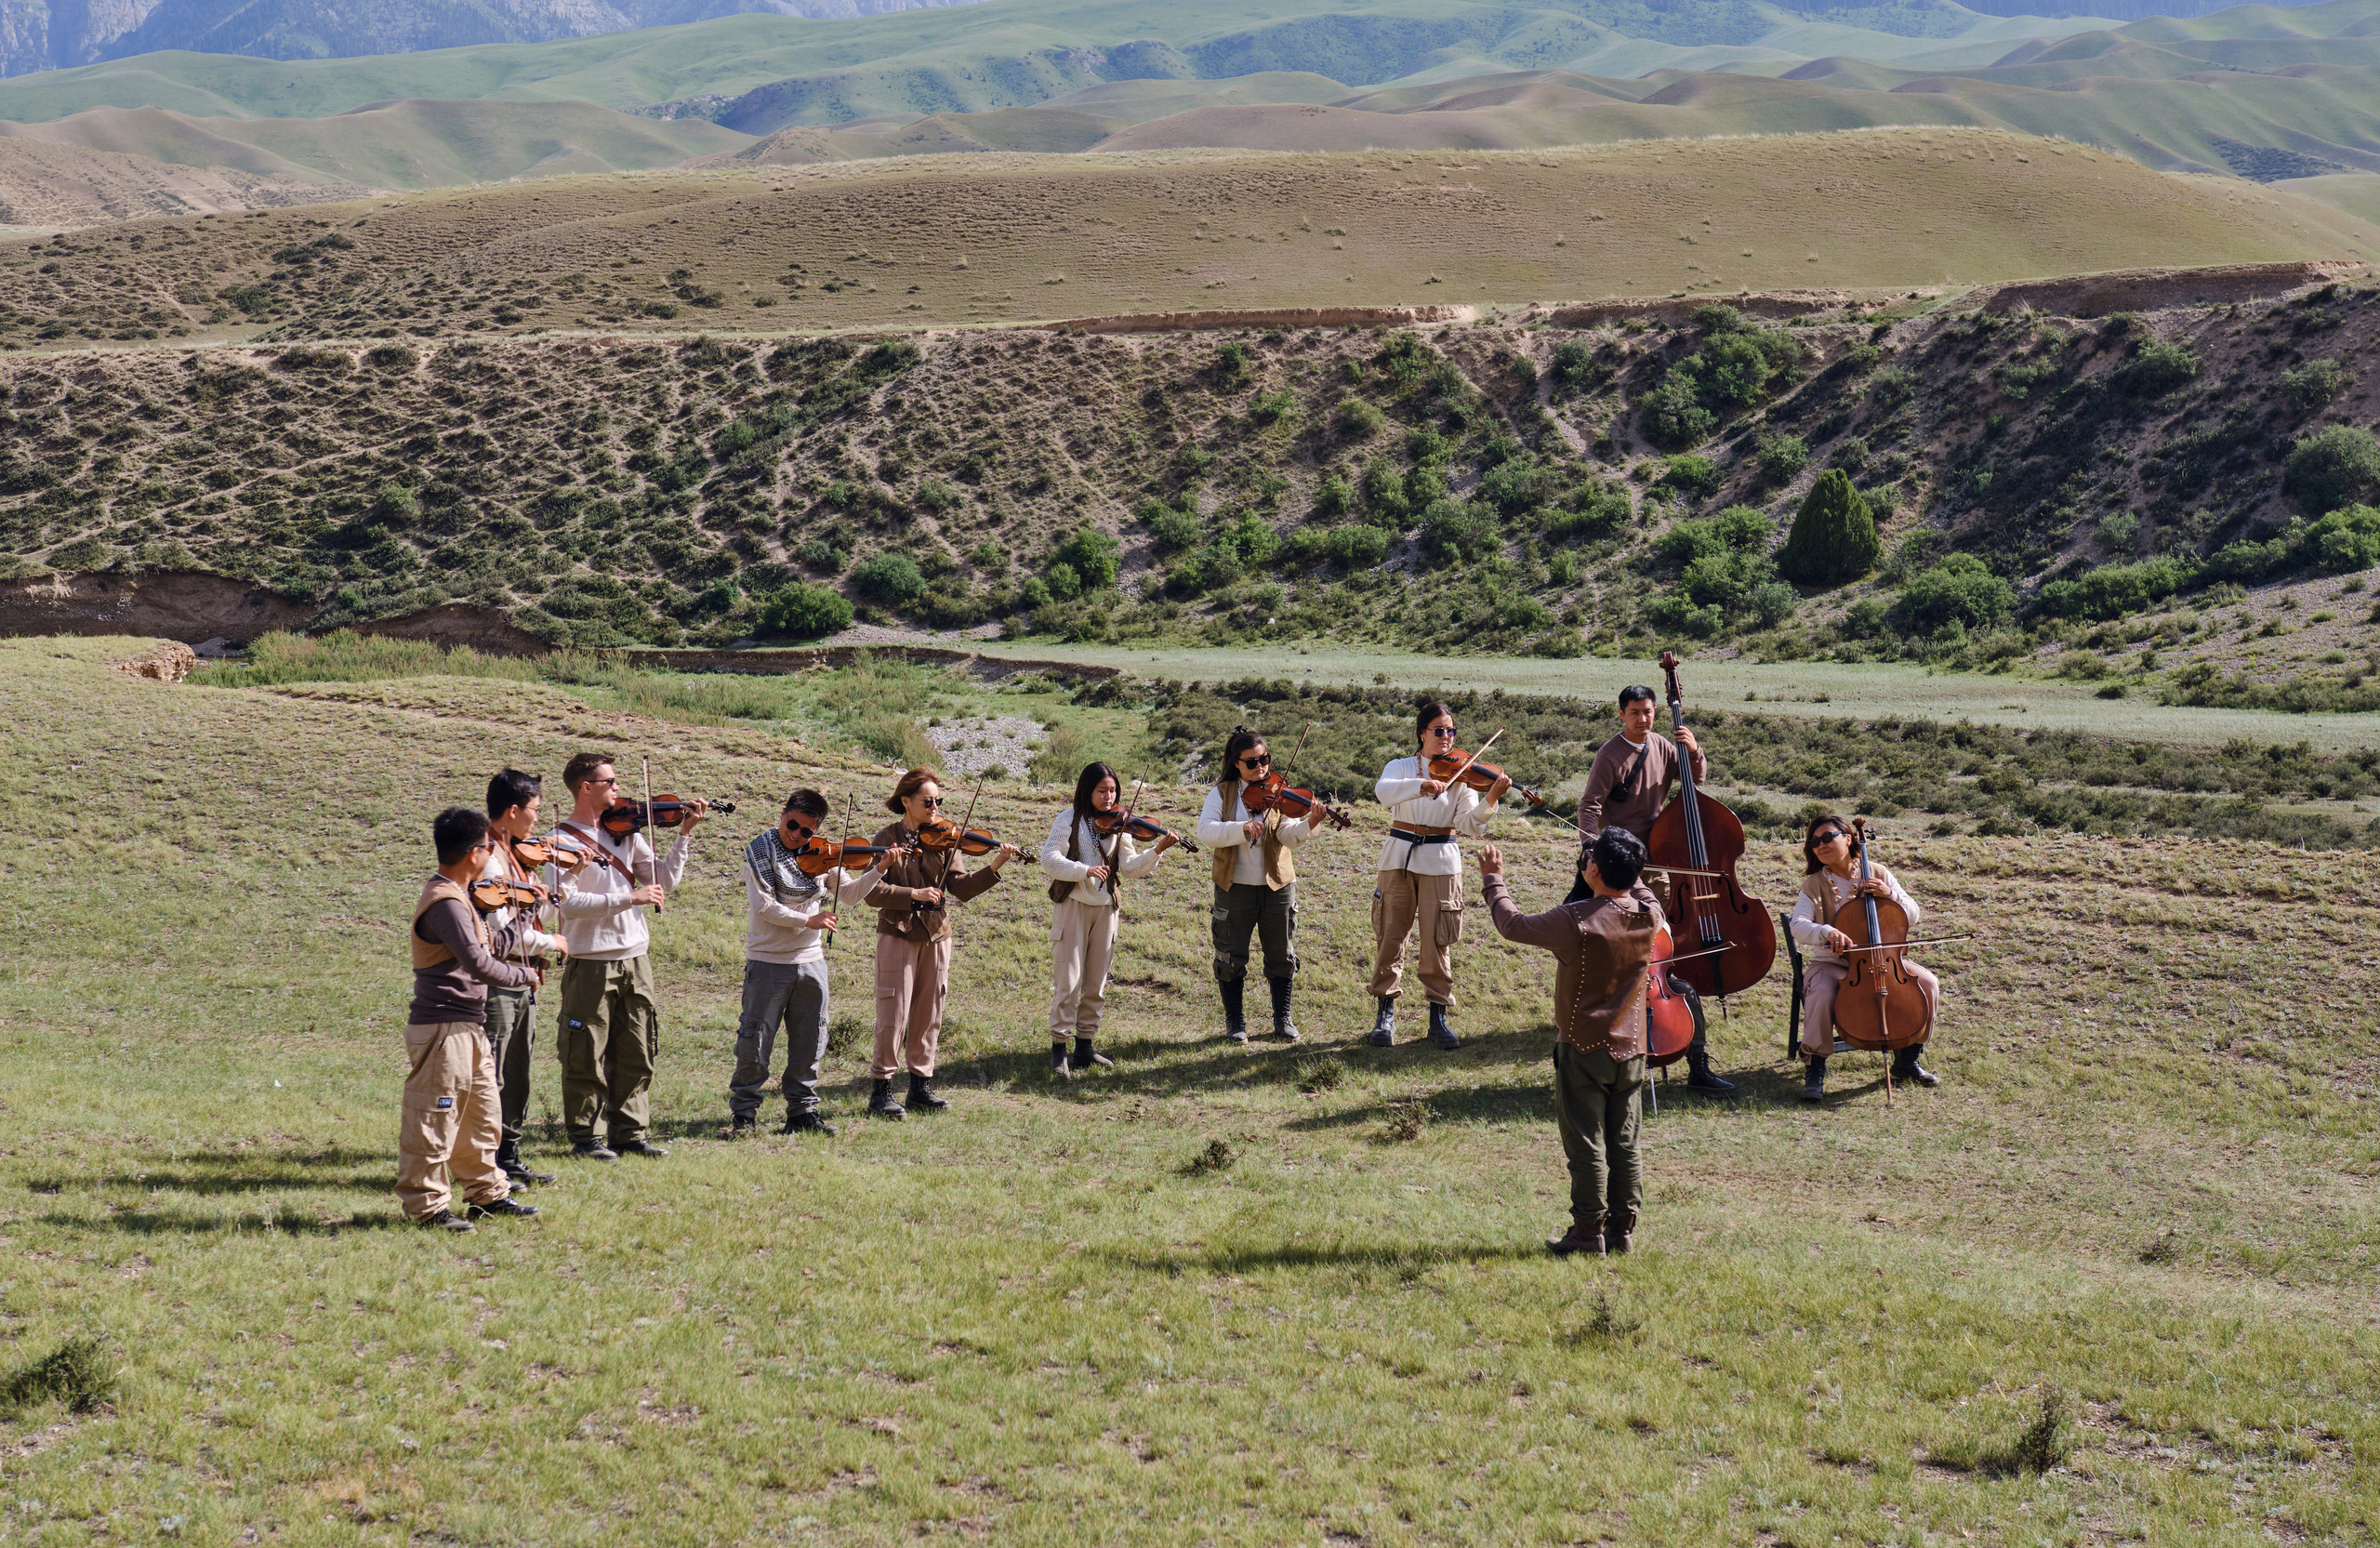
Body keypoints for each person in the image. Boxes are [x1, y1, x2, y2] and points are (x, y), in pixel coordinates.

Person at [1480, 827, 1664, 1259]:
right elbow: (1638, 886)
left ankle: (1587, 1233)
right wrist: (1623, 859)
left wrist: (1493, 878)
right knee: (1625, 1143)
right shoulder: (1649, 913)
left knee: (1587, 1145)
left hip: (1582, 1047)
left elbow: (1512, 924)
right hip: (1632, 1049)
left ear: (1594, 869)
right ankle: (1622, 1231)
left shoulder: (1575, 919)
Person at [1566, 683, 1734, 1095]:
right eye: (1636, 712)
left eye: (1649, 711)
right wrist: (1595, 848)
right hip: (1616, 859)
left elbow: (1695, 783)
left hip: (1657, 855)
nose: (1644, 718)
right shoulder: (1610, 754)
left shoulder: (1662, 745)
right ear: (1621, 714)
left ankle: (1688, 1052)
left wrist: (1694, 751)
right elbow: (1589, 806)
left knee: (1658, 954)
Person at [544, 752, 705, 1161]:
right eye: (609, 782)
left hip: (636, 956)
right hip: (590, 959)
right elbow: (566, 904)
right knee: (586, 1050)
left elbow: (663, 881)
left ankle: (630, 1132)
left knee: (638, 1046)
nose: (618, 788)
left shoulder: (628, 831)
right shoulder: (558, 841)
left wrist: (684, 835)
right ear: (586, 787)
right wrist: (626, 897)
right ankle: (587, 1137)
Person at [401, 807, 544, 1233]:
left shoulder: (462, 899)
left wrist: (526, 909)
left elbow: (492, 942)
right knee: (435, 1118)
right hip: (444, 1029)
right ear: (473, 854)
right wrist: (525, 974)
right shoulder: (445, 902)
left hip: (468, 1027)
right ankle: (426, 1206)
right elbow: (480, 963)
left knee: (481, 1117)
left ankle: (487, 1195)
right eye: (488, 847)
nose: (492, 854)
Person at [728, 789, 891, 1137]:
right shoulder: (761, 849)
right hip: (768, 961)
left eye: (806, 831)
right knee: (755, 1041)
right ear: (782, 813)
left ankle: (802, 1112)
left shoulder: (823, 855)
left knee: (811, 1040)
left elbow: (847, 896)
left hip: (811, 961)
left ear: (816, 830)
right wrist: (809, 921)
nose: (797, 835)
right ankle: (744, 1116)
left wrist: (880, 868)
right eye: (792, 825)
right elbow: (764, 907)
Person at [863, 768, 1017, 1118]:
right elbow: (872, 892)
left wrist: (997, 863)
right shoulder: (886, 837)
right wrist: (913, 894)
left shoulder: (946, 839)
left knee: (930, 1011)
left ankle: (920, 1086)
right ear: (906, 801)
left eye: (938, 801)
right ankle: (881, 1090)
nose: (935, 806)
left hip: (936, 934)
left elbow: (960, 887)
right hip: (897, 932)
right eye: (927, 801)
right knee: (893, 1012)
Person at [1367, 701, 1508, 1050]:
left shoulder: (1462, 775)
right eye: (1439, 730)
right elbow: (1383, 793)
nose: (1446, 737)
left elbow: (1469, 825)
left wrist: (1491, 798)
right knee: (1390, 935)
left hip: (1442, 860)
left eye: (1451, 731)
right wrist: (1422, 785)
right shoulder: (1400, 767)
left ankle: (1438, 1016)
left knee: (1437, 940)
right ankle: (1385, 1013)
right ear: (1422, 733)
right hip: (1398, 856)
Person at [1791, 814, 1941, 1102]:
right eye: (1814, 842)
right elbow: (1798, 925)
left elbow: (1913, 912)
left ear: (1848, 839)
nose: (1820, 845)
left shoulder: (1878, 872)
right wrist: (1826, 932)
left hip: (1884, 959)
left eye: (1827, 838)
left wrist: (1890, 896)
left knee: (1928, 984)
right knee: (1821, 993)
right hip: (1832, 963)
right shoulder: (1813, 885)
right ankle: (1815, 1067)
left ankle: (1907, 1059)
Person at [1040, 762, 1176, 1078]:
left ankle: (1085, 1046)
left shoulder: (1120, 824)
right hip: (1073, 905)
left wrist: (1157, 849)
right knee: (1068, 981)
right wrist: (1083, 870)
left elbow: (1128, 868)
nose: (1108, 796)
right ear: (1087, 790)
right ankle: (1059, 1048)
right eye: (1102, 790)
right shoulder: (1069, 818)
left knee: (1096, 981)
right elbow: (1049, 859)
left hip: (1106, 908)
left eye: (1113, 790)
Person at [480, 768, 577, 1186]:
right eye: (534, 811)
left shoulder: (518, 856)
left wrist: (562, 882)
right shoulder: (487, 858)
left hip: (524, 981)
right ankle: (485, 1165)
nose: (538, 821)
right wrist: (551, 943)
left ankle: (509, 1155)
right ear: (513, 810)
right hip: (499, 982)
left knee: (517, 1074)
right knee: (493, 1074)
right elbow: (504, 933)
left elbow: (541, 915)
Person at [1195, 728, 1314, 1045]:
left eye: (1265, 760)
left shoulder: (1279, 790)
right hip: (1234, 886)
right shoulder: (1221, 793)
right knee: (1231, 956)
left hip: (1278, 885)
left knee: (1281, 954)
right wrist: (1241, 828)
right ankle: (1235, 1021)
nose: (1260, 767)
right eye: (1252, 763)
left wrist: (1309, 824)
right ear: (1236, 763)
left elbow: (1288, 835)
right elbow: (1205, 831)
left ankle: (1282, 1019)